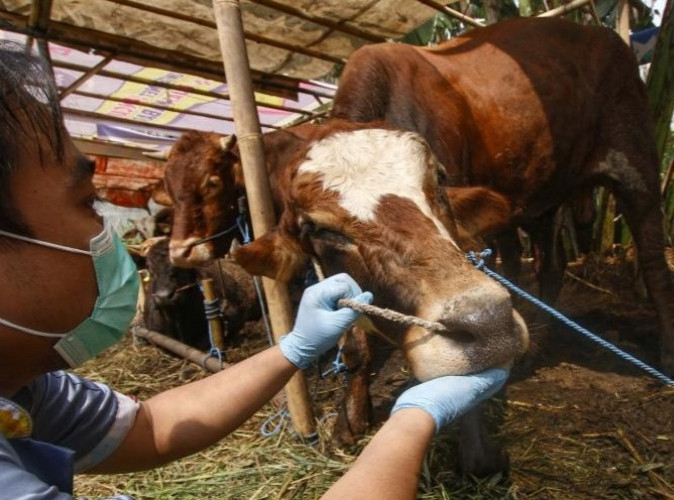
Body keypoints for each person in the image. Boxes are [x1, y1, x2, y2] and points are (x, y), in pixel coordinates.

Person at [0, 41, 508, 499]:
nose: (108, 237)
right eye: (90, 202)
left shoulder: (18, 393)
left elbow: (149, 427)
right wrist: (411, 423)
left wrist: (293, 348)